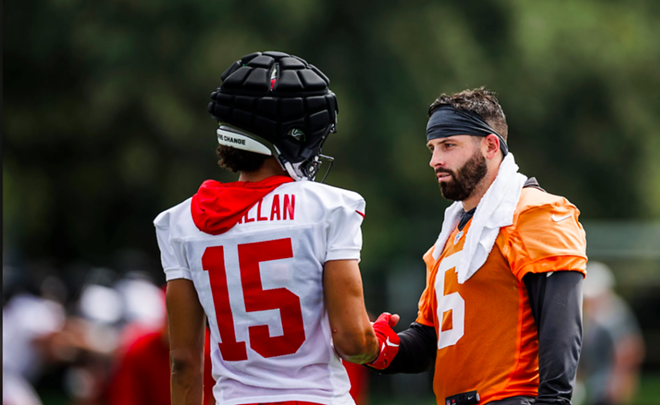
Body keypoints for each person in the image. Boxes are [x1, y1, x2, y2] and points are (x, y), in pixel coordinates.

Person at [154, 51, 384, 405]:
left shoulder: (180, 222)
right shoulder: (329, 207)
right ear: (293, 136)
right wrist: (377, 339)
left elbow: (183, 363)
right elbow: (352, 341)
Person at [367, 87, 588, 405]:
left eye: (448, 145)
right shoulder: (452, 234)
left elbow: (561, 325)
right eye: (432, 148)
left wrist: (553, 401)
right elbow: (432, 338)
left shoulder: (535, 212)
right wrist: (376, 348)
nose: (434, 160)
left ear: (490, 145)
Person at [578, 261, 645, 405]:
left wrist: (618, 381)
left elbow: (629, 349)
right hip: (595, 383)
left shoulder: (614, 312)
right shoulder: (590, 315)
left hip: (608, 385)